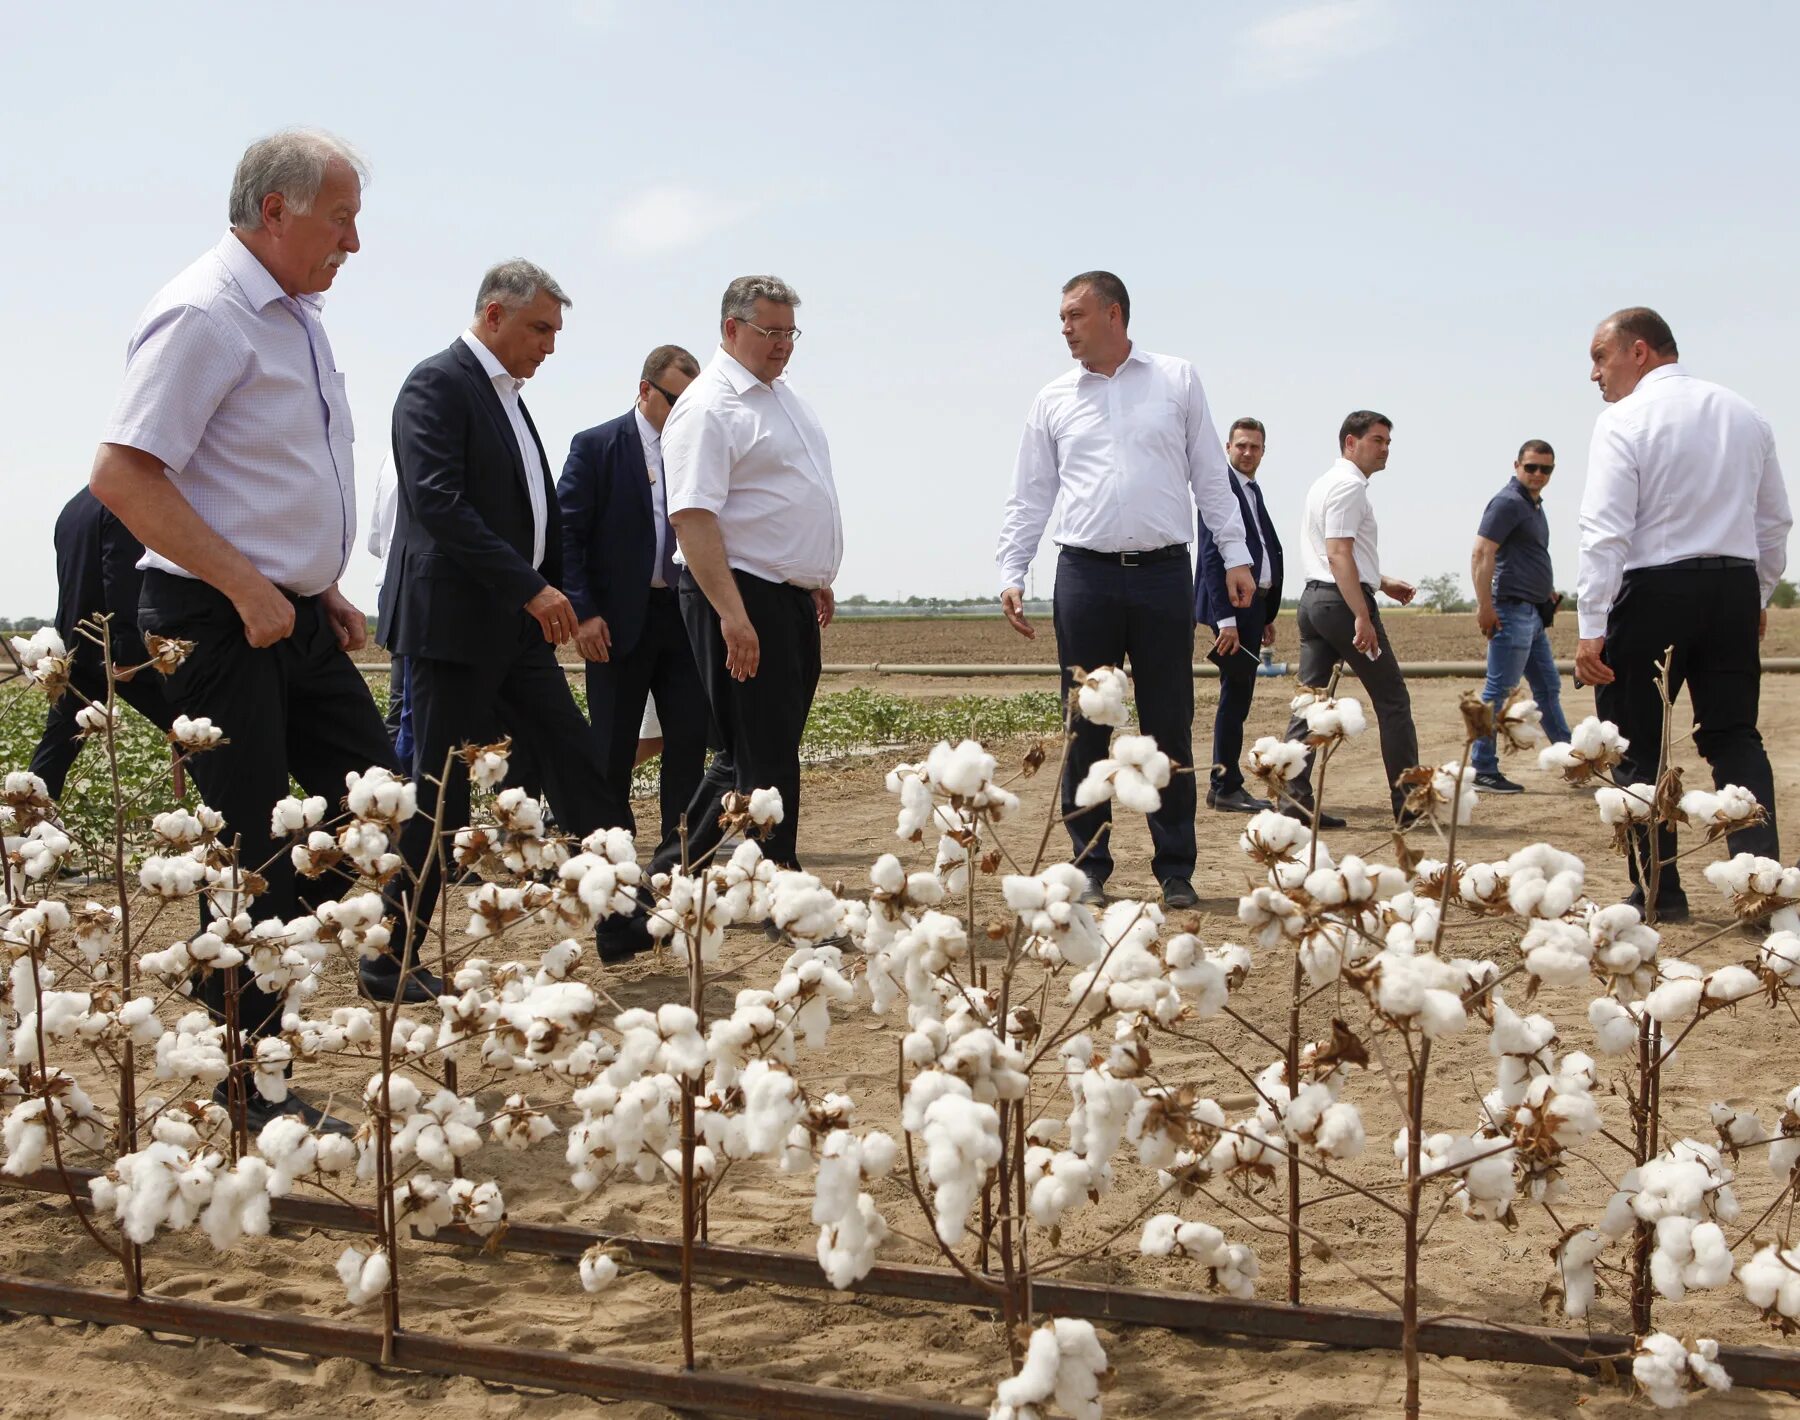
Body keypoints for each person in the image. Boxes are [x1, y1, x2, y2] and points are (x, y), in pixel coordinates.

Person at [89, 128, 393, 1134]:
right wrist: (246, 585)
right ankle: (245, 1073)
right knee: (257, 854)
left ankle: (222, 978)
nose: (355, 237)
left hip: (288, 613)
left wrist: (320, 587)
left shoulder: (297, 318)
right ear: (277, 210)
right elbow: (124, 475)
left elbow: (268, 481)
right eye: (340, 216)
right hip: (218, 621)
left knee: (385, 817)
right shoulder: (205, 313)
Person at [380, 260, 639, 965]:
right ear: (494, 314)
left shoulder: (508, 399)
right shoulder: (436, 384)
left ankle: (622, 915)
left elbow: (530, 511)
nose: (550, 345)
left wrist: (542, 594)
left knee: (578, 764)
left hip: (515, 632)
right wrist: (531, 586)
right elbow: (438, 503)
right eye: (540, 328)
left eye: (555, 331)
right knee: (437, 796)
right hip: (453, 631)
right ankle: (388, 955)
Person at [997, 271, 1253, 908]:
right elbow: (1031, 493)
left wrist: (1235, 555)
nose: (1064, 327)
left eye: (1074, 315)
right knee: (1086, 726)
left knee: (1170, 721)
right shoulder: (1052, 399)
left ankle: (1175, 869)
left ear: (1114, 314)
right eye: (1061, 316)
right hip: (1084, 576)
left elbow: (1209, 477)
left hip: (1165, 574)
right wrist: (1012, 568)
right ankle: (1089, 865)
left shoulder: (1177, 379)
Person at [1575, 306, 1790, 921]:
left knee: (1638, 747)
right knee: (1735, 738)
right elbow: (1774, 522)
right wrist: (1758, 597)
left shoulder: (1623, 419)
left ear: (1638, 352)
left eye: (1599, 357)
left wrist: (1592, 623)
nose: (1594, 374)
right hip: (1732, 587)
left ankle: (1657, 893)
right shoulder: (1746, 413)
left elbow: (1604, 531)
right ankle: (1764, 894)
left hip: (1652, 592)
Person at [658, 275, 841, 874]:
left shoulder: (783, 398)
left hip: (784, 597)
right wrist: (733, 616)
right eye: (770, 332)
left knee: (753, 753)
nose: (783, 344)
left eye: (790, 332)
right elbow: (692, 516)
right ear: (731, 329)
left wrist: (812, 571)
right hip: (740, 593)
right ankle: (776, 891)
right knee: (765, 760)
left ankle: (670, 870)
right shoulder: (710, 405)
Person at [558, 345, 709, 859]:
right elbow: (567, 535)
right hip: (616, 619)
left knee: (688, 741)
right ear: (645, 391)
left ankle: (678, 856)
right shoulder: (597, 446)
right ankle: (610, 854)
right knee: (613, 746)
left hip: (686, 615)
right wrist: (583, 612)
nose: (686, 412)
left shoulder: (698, 449)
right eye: (675, 400)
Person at [1281, 412, 1419, 827]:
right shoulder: (1348, 486)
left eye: (1387, 441)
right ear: (1349, 443)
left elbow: (1339, 558)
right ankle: (1409, 806)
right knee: (1393, 702)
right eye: (1377, 440)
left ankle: (1294, 804)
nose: (1385, 448)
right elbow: (1338, 553)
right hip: (1341, 606)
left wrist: (1381, 581)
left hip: (1315, 601)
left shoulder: (1324, 483)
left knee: (1309, 705)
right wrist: (1362, 613)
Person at [27, 489, 177, 797]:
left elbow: (69, 582)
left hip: (78, 647)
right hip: (120, 651)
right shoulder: (123, 499)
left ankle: (26, 824)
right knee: (197, 736)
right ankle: (233, 825)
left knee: (54, 754)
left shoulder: (72, 508)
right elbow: (121, 576)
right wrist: (126, 653)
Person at [1468, 440, 1573, 793]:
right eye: (1531, 467)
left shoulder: (1533, 506)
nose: (1538, 475)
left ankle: (1572, 760)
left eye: (1546, 469)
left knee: (1548, 687)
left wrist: (1546, 591)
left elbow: (1524, 556)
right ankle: (1482, 768)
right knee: (1497, 692)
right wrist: (1485, 606)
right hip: (1509, 611)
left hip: (1532, 614)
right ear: (1516, 465)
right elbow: (1482, 552)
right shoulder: (1508, 503)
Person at [1196, 418, 1284, 814]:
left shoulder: (1251, 490)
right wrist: (1226, 620)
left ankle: (1226, 782)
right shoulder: (1221, 488)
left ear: (1263, 453)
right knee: (1234, 700)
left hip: (1252, 609)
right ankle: (1224, 784)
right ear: (1228, 448)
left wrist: (1266, 613)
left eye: (1255, 447)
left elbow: (1263, 551)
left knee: (1240, 698)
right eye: (1241, 446)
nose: (1248, 453)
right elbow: (1213, 556)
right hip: (1232, 612)